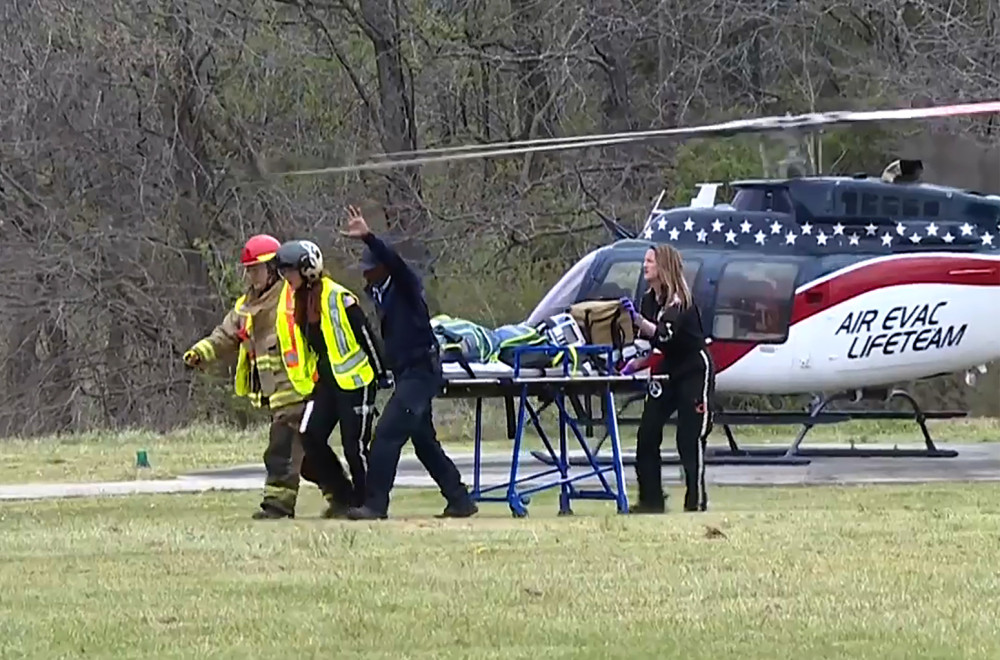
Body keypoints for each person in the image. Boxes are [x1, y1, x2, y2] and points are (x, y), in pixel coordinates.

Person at [339, 205, 478, 521]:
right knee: (424, 443)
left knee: (386, 435)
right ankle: (460, 500)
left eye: (370, 267)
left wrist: (369, 237)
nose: (364, 272)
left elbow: (394, 262)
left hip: (420, 373)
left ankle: (375, 505)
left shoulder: (405, 286)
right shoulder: (380, 294)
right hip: (406, 374)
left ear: (382, 268)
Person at [184, 234, 311, 520]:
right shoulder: (246, 305)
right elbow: (224, 335)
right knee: (311, 457)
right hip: (275, 395)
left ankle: (277, 506)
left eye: (256, 269)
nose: (251, 275)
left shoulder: (291, 297)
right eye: (249, 270)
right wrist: (199, 353)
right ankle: (343, 496)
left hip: (297, 391)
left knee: (280, 450)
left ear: (274, 268)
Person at [272, 238, 388, 517]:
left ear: (307, 268)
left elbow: (367, 337)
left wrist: (382, 374)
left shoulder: (339, 298)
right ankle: (342, 494)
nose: (285, 278)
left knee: (354, 445)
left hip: (355, 381)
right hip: (325, 382)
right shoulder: (300, 302)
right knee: (309, 435)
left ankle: (370, 503)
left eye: (288, 271)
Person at [620, 244, 715, 514]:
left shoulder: (680, 301)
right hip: (666, 368)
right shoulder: (650, 299)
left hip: (694, 369)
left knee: (689, 437)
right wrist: (633, 363)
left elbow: (663, 335)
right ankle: (651, 500)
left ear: (663, 267)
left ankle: (695, 500)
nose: (644, 265)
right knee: (647, 433)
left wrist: (637, 320)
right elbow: (648, 344)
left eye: (650, 261)